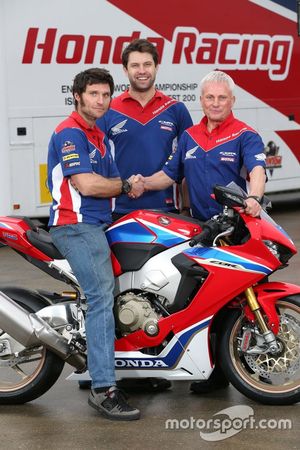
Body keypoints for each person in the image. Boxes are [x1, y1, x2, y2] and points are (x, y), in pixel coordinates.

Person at [135, 70, 267, 392]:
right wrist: (138, 185)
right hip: (200, 230)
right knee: (200, 300)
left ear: (232, 100)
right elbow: (168, 175)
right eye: (210, 97)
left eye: (222, 97)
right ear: (201, 100)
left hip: (236, 230)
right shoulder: (190, 136)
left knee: (237, 301)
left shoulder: (245, 135)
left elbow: (257, 171)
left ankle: (244, 369)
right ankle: (208, 370)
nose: (216, 103)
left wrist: (254, 198)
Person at [47, 68, 143, 420]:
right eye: (93, 94)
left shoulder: (100, 136)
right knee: (102, 295)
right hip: (76, 226)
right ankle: (104, 388)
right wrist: (125, 186)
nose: (100, 101)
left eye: (105, 95)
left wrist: (126, 185)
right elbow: (88, 185)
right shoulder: (70, 133)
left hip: (101, 223)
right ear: (77, 95)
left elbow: (113, 181)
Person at [97, 38, 193, 220]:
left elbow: (189, 163)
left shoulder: (176, 109)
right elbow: (98, 163)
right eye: (135, 65)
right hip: (120, 211)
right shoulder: (109, 110)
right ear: (125, 70)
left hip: (169, 211)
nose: (142, 71)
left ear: (156, 67)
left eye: (147, 64)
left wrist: (186, 208)